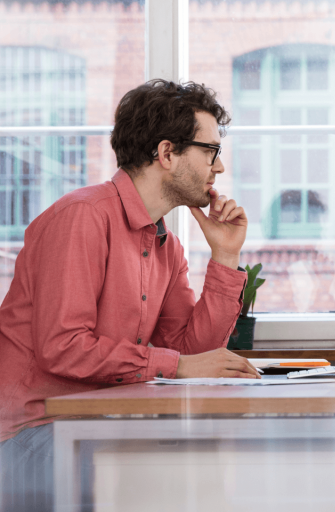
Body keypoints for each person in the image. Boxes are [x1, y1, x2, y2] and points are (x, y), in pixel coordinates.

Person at [0, 79, 260, 510]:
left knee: (206, 464)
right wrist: (174, 364)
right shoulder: (81, 217)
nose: (219, 168)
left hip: (97, 426)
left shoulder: (166, 246)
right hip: (32, 433)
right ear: (166, 153)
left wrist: (225, 256)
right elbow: (62, 348)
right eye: (210, 151)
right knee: (161, 480)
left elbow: (192, 354)